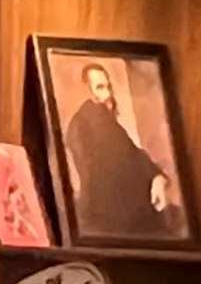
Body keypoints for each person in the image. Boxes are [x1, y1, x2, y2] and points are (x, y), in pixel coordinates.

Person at [52, 56, 179, 245]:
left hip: (120, 216)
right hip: (112, 217)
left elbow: (130, 152)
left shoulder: (104, 120)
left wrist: (157, 177)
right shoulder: (90, 120)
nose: (108, 94)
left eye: (108, 87)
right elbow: (117, 164)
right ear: (88, 91)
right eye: (100, 88)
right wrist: (154, 177)